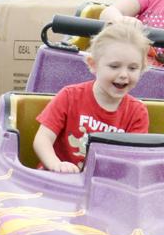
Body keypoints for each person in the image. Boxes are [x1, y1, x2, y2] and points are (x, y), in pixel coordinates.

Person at [33, 22, 151, 173]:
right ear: (93, 64)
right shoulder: (70, 96)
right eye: (114, 66)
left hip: (105, 186)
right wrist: (56, 164)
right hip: (58, 180)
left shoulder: (137, 112)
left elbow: (134, 159)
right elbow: (43, 139)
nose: (123, 74)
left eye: (132, 68)